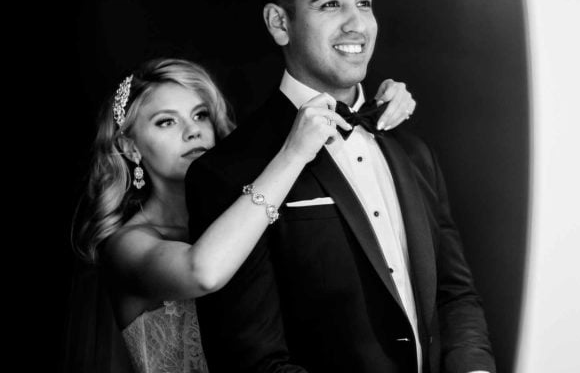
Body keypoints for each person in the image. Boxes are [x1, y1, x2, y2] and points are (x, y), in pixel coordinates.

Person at [185, 0, 496, 373]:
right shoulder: (229, 169)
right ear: (279, 23)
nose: (357, 23)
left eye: (364, 3)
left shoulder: (412, 148)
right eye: (331, 4)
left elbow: (455, 294)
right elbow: (253, 359)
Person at [71, 57, 416, 373]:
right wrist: (293, 154)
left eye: (200, 114)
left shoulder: (254, 211)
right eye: (166, 122)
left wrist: (367, 101)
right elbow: (203, 271)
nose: (192, 131)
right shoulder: (127, 245)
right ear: (130, 146)